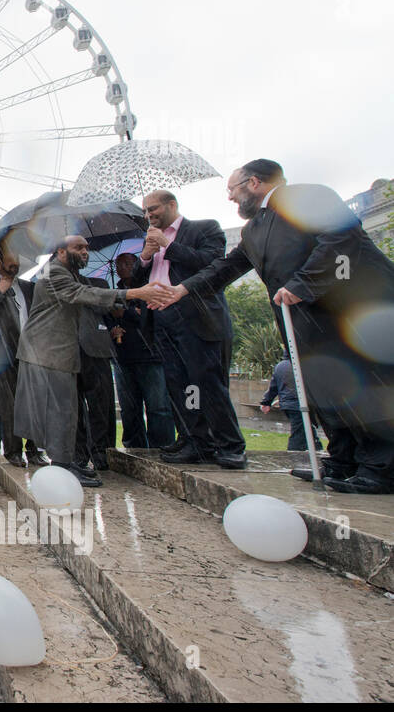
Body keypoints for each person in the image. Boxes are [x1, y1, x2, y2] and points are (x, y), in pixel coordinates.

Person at [157, 160, 394, 493]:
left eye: (232, 190)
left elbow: (342, 239)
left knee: (362, 384)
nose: (230, 198)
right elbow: (226, 267)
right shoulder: (255, 229)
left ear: (254, 182)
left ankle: (382, 466)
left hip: (350, 311)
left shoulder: (308, 196)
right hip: (305, 324)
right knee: (327, 388)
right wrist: (183, 289)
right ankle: (344, 459)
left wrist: (301, 284)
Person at [14, 236, 166, 486]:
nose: (85, 252)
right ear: (61, 252)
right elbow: (82, 294)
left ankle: (67, 461)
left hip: (58, 352)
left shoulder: (67, 273)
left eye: (86, 248)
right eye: (79, 248)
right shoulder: (54, 273)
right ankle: (62, 465)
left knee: (69, 410)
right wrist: (135, 293)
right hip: (47, 353)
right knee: (61, 411)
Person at [135, 189, 245, 469]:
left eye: (154, 208)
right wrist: (145, 258)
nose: (149, 215)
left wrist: (168, 247)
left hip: (195, 317)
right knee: (178, 383)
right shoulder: (150, 239)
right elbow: (136, 281)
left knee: (206, 381)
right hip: (161, 319)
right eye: (146, 211)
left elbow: (212, 265)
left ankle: (229, 444)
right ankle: (194, 440)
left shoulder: (204, 228)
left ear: (172, 205)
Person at [0, 248, 44, 466]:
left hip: (29, 351)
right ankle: (13, 450)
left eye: (17, 258)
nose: (15, 262)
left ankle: (34, 450)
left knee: (32, 402)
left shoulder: (28, 287)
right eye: (10, 258)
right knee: (9, 403)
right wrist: (0, 290)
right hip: (1, 353)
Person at [108, 253, 174, 448]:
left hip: (149, 355)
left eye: (128, 263)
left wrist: (127, 312)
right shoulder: (115, 292)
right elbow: (108, 316)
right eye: (119, 264)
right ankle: (134, 447)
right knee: (129, 408)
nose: (122, 267)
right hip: (123, 357)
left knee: (158, 407)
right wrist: (113, 327)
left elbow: (150, 317)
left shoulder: (150, 286)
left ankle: (162, 446)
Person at [73, 273, 119, 473]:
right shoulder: (54, 283)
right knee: (73, 408)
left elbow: (106, 306)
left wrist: (84, 293)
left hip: (96, 349)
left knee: (101, 403)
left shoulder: (98, 283)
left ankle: (101, 451)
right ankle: (79, 454)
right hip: (67, 351)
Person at [260, 353, 320, 452]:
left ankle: (317, 449)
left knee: (306, 428)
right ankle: (293, 454)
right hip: (298, 404)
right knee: (299, 432)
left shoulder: (280, 366)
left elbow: (273, 387)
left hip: (287, 404)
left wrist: (266, 402)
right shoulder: (299, 364)